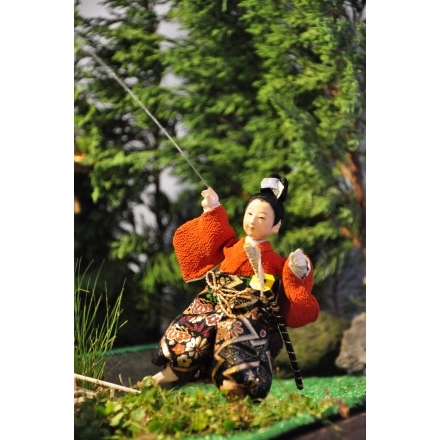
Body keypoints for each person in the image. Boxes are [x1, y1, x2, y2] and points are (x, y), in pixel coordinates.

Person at [151, 173, 319, 400]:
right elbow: (216, 233)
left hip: (248, 313)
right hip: (212, 305)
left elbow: (292, 282)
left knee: (237, 343)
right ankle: (157, 379)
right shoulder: (232, 246)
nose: (252, 221)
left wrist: (299, 268)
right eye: (249, 214)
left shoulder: (275, 261)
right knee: (191, 342)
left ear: (276, 226)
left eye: (262, 217)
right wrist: (212, 208)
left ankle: (237, 387)